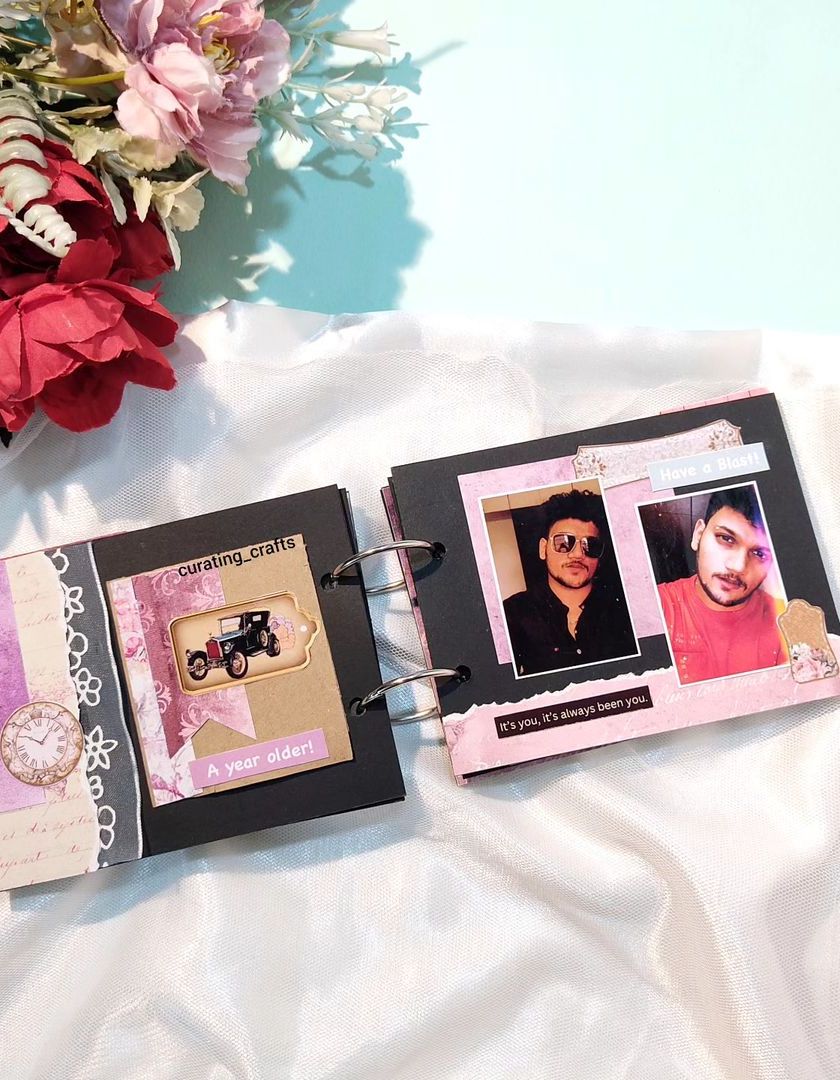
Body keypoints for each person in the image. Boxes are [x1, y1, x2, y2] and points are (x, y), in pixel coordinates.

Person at [657, 486, 787, 684]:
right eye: (726, 538)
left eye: (759, 553)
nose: (738, 566)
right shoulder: (658, 606)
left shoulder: (786, 620)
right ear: (698, 535)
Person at [503, 489, 637, 676]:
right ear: (543, 549)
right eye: (564, 542)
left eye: (590, 545)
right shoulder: (511, 614)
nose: (577, 554)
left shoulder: (627, 609)